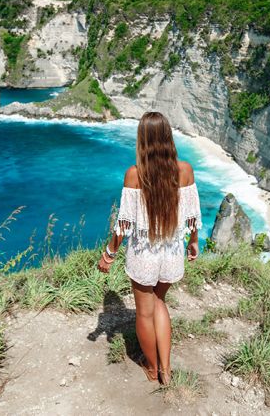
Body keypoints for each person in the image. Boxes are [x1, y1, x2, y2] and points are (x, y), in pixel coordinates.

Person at [97, 111, 201, 385]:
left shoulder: (135, 175)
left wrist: (109, 254)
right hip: (171, 252)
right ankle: (167, 371)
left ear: (142, 140)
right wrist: (193, 241)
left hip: (144, 254)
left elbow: (124, 223)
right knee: (159, 303)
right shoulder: (185, 170)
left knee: (144, 311)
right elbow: (192, 214)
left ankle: (153, 369)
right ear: (168, 137)